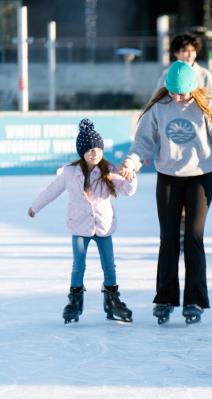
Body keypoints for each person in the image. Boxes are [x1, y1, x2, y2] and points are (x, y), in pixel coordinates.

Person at [120, 61, 212, 325]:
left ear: (193, 88)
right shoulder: (159, 107)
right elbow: (143, 143)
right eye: (173, 92)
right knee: (168, 238)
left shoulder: (209, 108)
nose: (178, 97)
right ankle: (165, 297)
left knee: (194, 239)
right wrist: (131, 163)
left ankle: (194, 299)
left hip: (199, 180)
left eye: (182, 93)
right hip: (168, 179)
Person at [28, 118, 137, 324]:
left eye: (97, 148)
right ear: (82, 152)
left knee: (109, 266)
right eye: (89, 149)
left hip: (103, 226)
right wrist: (35, 207)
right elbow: (52, 191)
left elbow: (128, 191)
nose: (94, 152)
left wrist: (130, 177)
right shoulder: (70, 172)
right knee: (78, 266)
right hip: (79, 226)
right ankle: (75, 303)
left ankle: (112, 301)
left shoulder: (110, 170)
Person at [155, 33, 212, 247]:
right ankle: (183, 229)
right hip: (177, 143)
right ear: (175, 53)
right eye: (183, 50)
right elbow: (154, 106)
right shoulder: (168, 76)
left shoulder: (203, 75)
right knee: (178, 186)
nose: (188, 54)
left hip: (204, 143)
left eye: (191, 50)